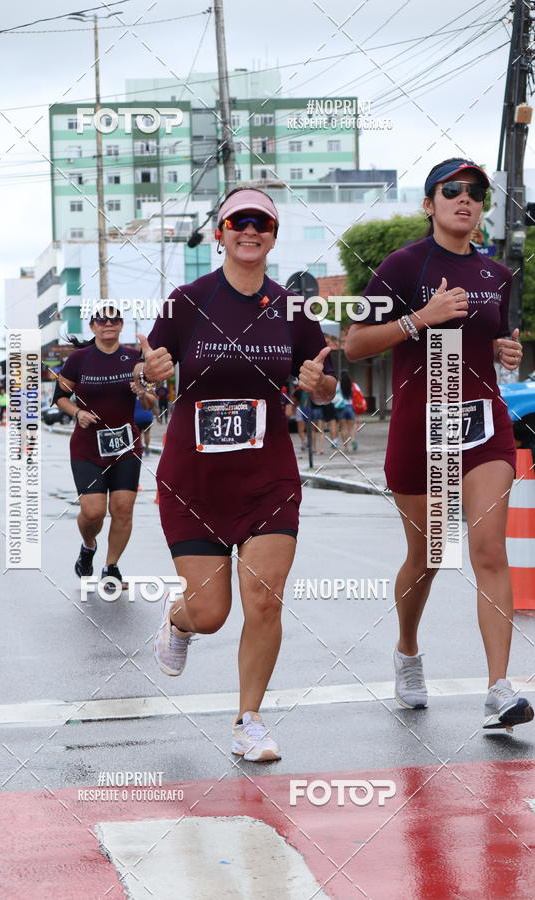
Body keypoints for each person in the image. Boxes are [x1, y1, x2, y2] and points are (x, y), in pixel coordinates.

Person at [136, 186, 336, 760]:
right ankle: (178, 622)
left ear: (273, 236)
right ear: (220, 232)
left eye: (262, 223)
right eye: (238, 221)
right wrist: (148, 373)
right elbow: (145, 377)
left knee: (265, 599)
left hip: (267, 473)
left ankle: (249, 720)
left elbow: (318, 382)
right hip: (194, 477)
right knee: (211, 613)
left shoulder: (292, 309)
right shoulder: (186, 302)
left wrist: (317, 385)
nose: (250, 231)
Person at [346, 157, 533, 731]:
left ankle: (500, 687)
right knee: (429, 556)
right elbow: (353, 344)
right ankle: (407, 650)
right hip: (419, 427)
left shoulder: (497, 275)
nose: (465, 199)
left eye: (475, 192)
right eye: (451, 190)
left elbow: (491, 341)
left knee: (488, 551)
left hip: (482, 428)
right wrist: (420, 318)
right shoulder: (403, 267)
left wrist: (505, 354)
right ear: (429, 203)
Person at [54, 305, 155, 591]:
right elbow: (60, 396)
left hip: (125, 445)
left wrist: (143, 392)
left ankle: (111, 567)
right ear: (93, 326)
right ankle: (88, 546)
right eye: (102, 319)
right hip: (88, 447)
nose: (108, 324)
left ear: (121, 325)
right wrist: (77, 413)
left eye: (114, 319)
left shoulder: (134, 358)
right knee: (94, 512)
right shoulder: (78, 359)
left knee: (123, 509)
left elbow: (150, 403)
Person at [333, 370, 358, 451]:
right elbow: (357, 394)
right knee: (351, 428)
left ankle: (345, 447)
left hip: (341, 407)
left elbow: (334, 394)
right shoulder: (353, 385)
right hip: (350, 407)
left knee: (343, 428)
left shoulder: (338, 384)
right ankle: (353, 441)